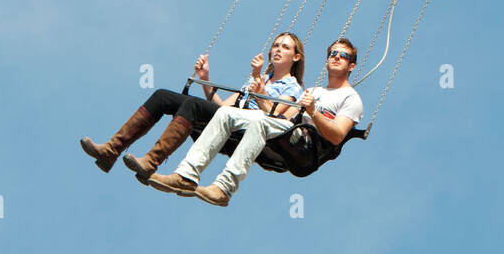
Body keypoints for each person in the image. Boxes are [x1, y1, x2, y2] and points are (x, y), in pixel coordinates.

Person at [151, 35, 361, 206]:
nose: (336, 57)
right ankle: (186, 174)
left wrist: (313, 112)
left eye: (342, 55)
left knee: (260, 121)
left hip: (306, 145)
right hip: (287, 130)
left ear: (351, 66)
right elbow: (279, 117)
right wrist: (206, 80)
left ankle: (224, 187)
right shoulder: (313, 91)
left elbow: (337, 136)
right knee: (224, 114)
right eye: (332, 53)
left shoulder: (351, 98)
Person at [80, 34, 305, 184]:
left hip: (250, 129)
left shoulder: (293, 87)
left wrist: (259, 85)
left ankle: (151, 161)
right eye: (275, 45)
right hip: (231, 118)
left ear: (295, 57)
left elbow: (274, 117)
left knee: (193, 105)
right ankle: (111, 150)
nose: (277, 49)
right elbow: (223, 107)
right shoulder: (260, 78)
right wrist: (205, 79)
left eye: (284, 47)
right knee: (163, 96)